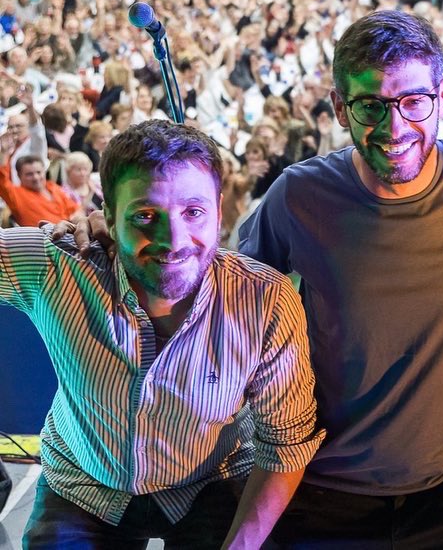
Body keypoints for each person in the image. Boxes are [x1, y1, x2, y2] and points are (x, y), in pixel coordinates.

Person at [238, 10, 443, 547]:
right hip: (322, 489)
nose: (394, 128)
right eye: (371, 105)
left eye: (414, 101)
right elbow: (229, 301)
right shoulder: (298, 197)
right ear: (340, 108)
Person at [21, 120, 323, 548]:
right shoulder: (59, 263)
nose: (174, 240)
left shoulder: (264, 299)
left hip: (211, 482)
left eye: (193, 212)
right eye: (145, 215)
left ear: (219, 208)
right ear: (106, 213)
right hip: (83, 486)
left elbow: (286, 443)